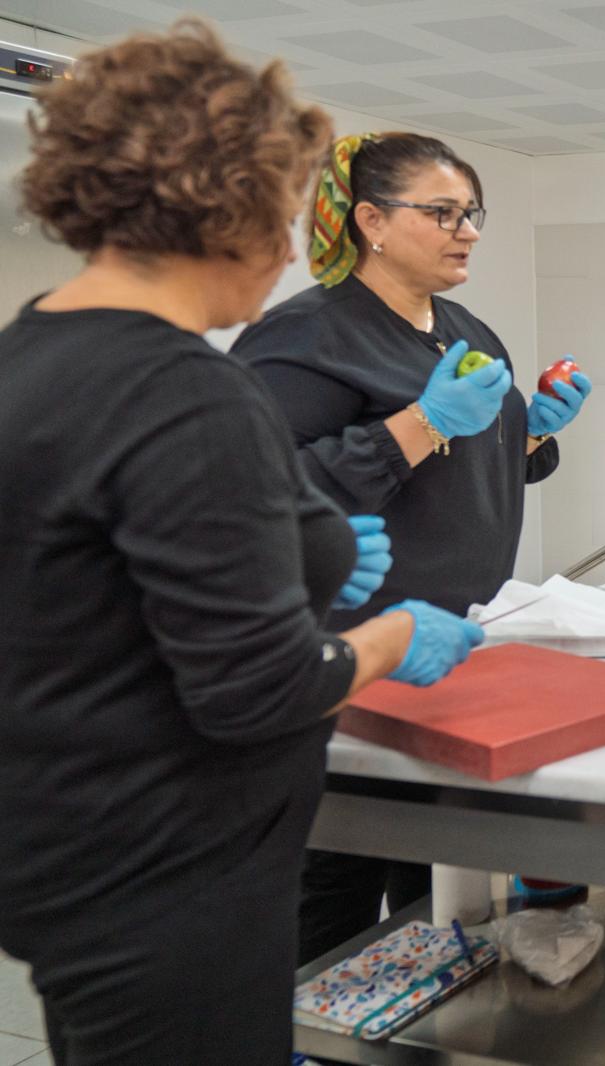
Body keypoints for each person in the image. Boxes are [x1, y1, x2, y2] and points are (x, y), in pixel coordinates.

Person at [0, 22, 481, 1065]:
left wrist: (298, 561)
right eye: (286, 207)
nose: (294, 251)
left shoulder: (28, 352)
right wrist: (393, 636)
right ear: (226, 202)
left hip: (67, 855)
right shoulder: (185, 392)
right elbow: (258, 691)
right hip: (175, 883)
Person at [231, 131, 592, 963]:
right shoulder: (305, 340)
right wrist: (422, 422)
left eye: (472, 214)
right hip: (351, 663)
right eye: (443, 213)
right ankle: (315, 1023)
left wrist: (532, 433)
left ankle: (420, 1005)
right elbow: (262, 499)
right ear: (372, 222)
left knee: (434, 877)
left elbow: (469, 473)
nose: (467, 232)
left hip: (454, 653)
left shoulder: (466, 328)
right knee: (338, 882)